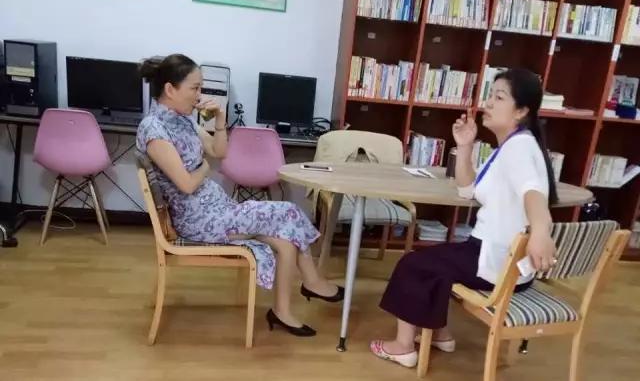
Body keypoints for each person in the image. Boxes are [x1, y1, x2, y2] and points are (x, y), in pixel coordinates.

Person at [136, 54, 343, 337]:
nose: (199, 95)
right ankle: (313, 281)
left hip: (216, 210)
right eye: (195, 88)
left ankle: (282, 311)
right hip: (199, 220)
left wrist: (221, 119)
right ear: (170, 89)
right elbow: (186, 185)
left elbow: (219, 151)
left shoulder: (182, 120)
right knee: (289, 211)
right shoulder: (154, 129)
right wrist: (204, 168)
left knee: (286, 240)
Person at [370, 68, 558, 368]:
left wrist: (540, 231)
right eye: (490, 95)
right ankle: (440, 334)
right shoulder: (511, 146)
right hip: (506, 264)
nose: (488, 103)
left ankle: (403, 346)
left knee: (413, 264)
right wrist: (466, 146)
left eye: (499, 97)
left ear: (521, 111)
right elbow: (467, 189)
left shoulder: (519, 148)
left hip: (496, 263)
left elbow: (533, 192)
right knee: (438, 262)